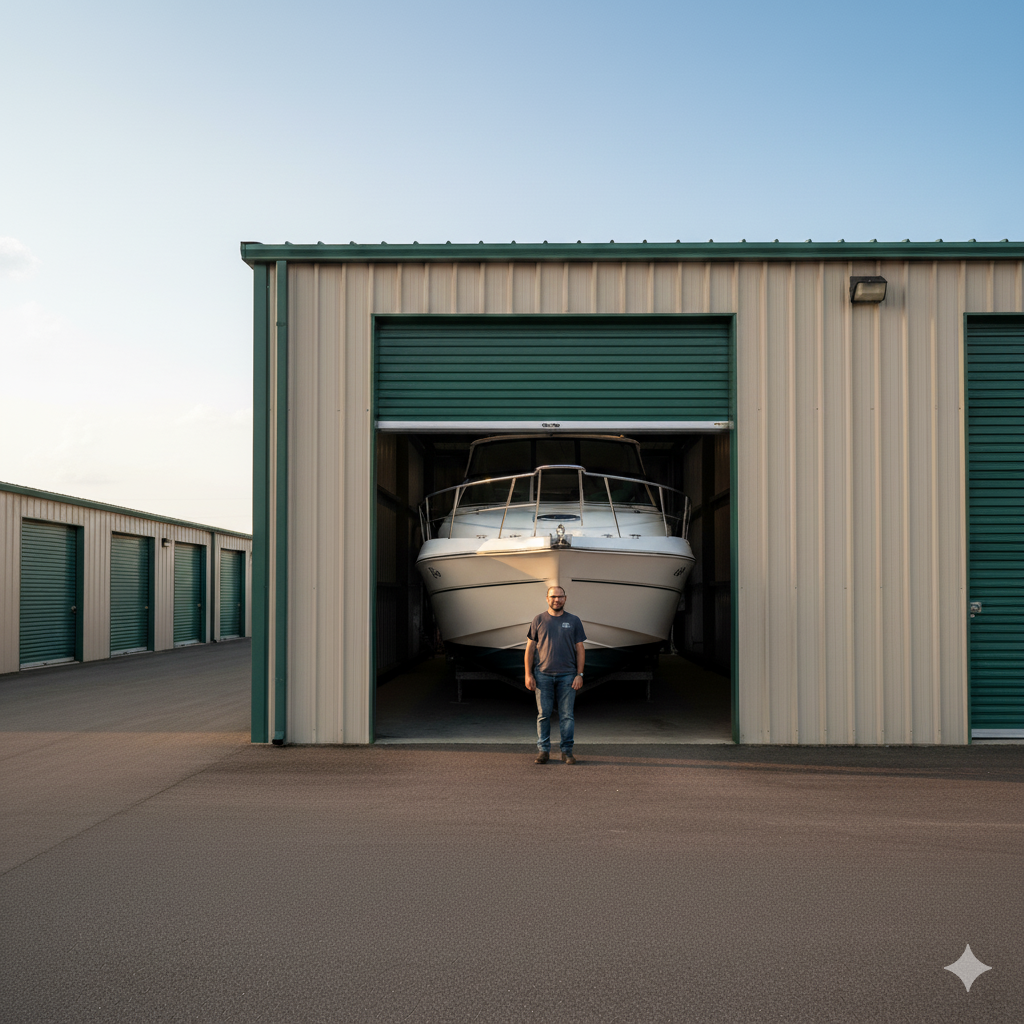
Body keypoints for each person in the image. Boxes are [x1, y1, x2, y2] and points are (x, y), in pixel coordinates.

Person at [524, 586, 586, 765]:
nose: (556, 600)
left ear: (565, 599)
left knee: (567, 716)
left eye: (560, 597)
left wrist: (579, 674)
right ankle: (543, 750)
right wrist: (528, 674)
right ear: (547, 598)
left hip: (568, 675)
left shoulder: (574, 621)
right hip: (542, 675)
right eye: (553, 597)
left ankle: (567, 752)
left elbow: (580, 649)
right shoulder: (538, 620)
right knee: (543, 714)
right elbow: (530, 649)